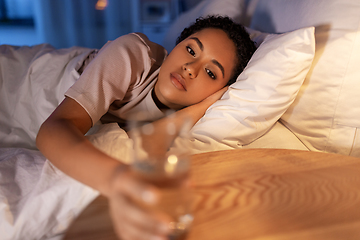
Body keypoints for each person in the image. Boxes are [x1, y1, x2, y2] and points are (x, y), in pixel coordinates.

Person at [36, 16, 256, 240]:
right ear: (175, 46)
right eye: (190, 50)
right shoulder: (133, 54)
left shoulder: (188, 118)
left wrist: (199, 109)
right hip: (18, 81)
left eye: (211, 73)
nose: (190, 68)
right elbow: (54, 129)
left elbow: (129, 139)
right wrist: (119, 182)